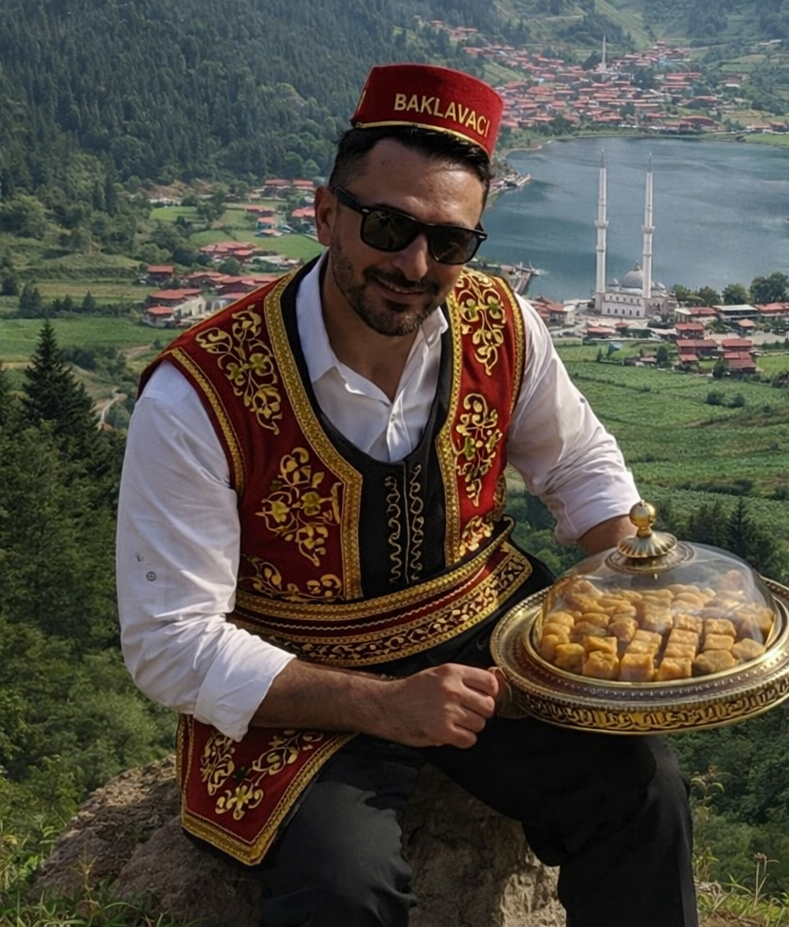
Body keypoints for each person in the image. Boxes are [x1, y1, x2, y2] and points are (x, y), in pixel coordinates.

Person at [116, 62, 699, 927]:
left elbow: (575, 466)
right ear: (325, 215)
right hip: (295, 678)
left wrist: (639, 579)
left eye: (451, 242)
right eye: (388, 226)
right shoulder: (199, 394)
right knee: (342, 893)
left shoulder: (504, 324)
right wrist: (386, 704)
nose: (416, 263)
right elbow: (169, 642)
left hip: (488, 630)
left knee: (641, 791)